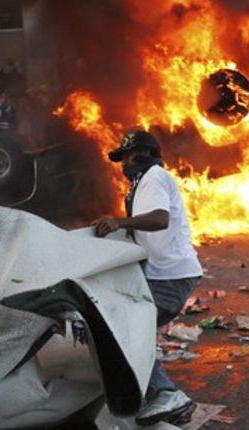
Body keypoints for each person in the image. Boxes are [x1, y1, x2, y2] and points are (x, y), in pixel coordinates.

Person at [92, 131, 201, 427]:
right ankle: (154, 394)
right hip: (164, 275)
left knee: (123, 328)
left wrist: (119, 222)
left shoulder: (153, 176)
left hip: (171, 276)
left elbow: (159, 219)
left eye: (126, 157)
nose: (123, 164)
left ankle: (165, 393)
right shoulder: (141, 185)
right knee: (126, 329)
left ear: (141, 153)